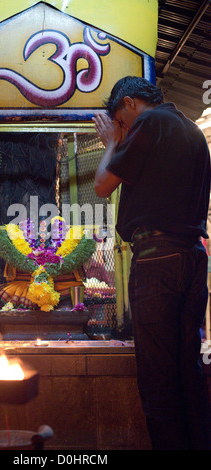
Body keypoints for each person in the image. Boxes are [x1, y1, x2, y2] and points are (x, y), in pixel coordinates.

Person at [93, 75, 211, 450]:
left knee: (158, 377)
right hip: (193, 260)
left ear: (129, 104)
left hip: (157, 261)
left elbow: (101, 185)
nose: (123, 131)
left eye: (122, 122)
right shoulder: (191, 131)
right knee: (187, 371)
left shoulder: (150, 122)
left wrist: (111, 143)